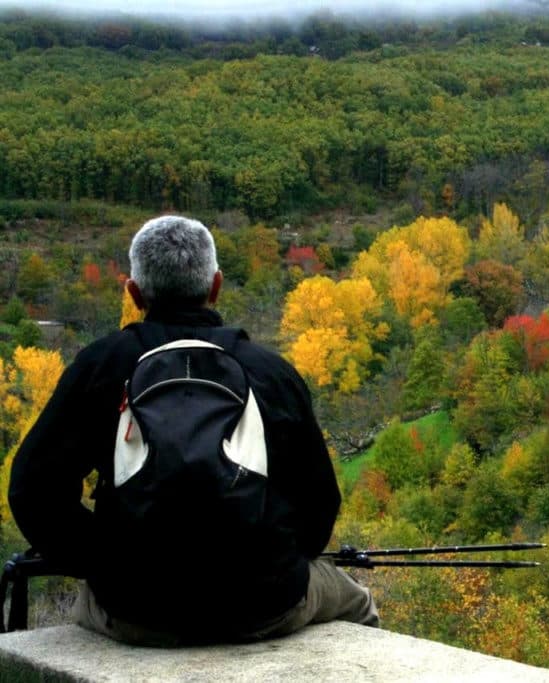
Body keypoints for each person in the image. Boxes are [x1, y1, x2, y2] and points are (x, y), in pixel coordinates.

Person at [8, 215, 378, 646]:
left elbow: (32, 491)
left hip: (134, 608)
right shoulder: (270, 372)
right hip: (266, 601)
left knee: (81, 614)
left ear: (134, 292)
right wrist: (272, 559)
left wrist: (104, 560)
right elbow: (319, 505)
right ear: (216, 285)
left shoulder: (101, 366)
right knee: (356, 603)